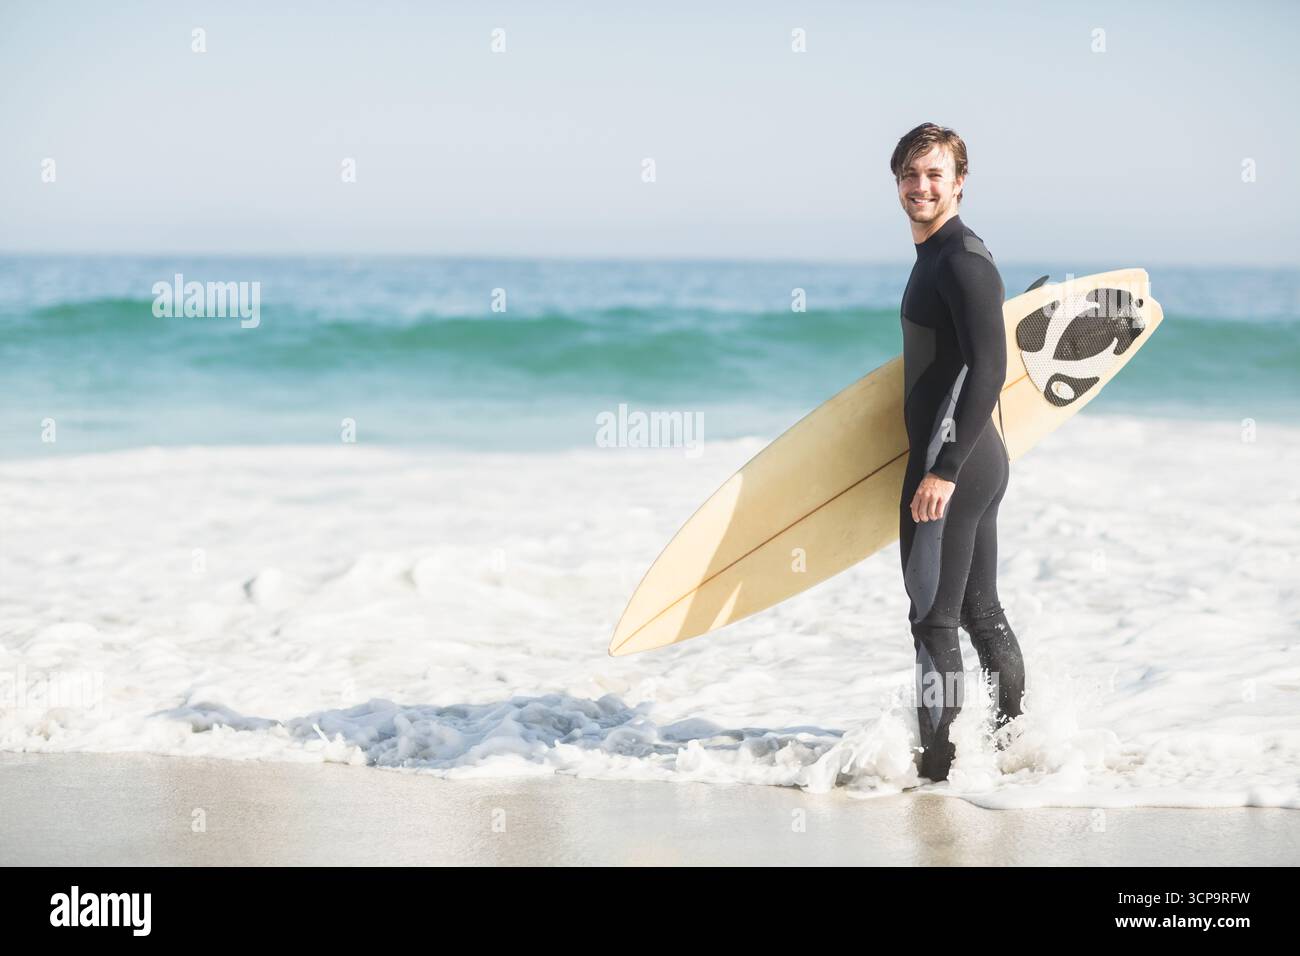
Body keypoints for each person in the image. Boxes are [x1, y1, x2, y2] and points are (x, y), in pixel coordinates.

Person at [890, 123, 1025, 782]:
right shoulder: (941, 256)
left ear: (959, 182)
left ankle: (936, 776)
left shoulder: (960, 261)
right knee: (978, 612)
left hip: (954, 465)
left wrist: (942, 469)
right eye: (910, 175)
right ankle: (1014, 754)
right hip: (976, 460)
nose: (921, 186)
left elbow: (990, 367)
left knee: (933, 623)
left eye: (934, 174)